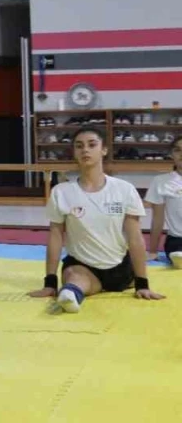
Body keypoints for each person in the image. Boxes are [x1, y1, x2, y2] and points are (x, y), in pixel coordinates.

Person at [29, 126, 165, 312]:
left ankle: (89, 288)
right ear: (74, 152)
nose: (85, 150)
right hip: (83, 266)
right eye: (79, 146)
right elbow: (55, 236)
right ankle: (71, 294)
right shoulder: (61, 192)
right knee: (74, 278)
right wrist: (50, 282)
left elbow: (135, 238)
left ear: (104, 150)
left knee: (120, 278)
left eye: (92, 145)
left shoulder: (124, 189)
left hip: (120, 269)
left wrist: (143, 284)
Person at [145, 138, 182, 268]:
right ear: (171, 154)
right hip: (177, 241)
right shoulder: (160, 181)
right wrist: (153, 251)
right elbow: (157, 219)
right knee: (178, 255)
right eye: (177, 150)